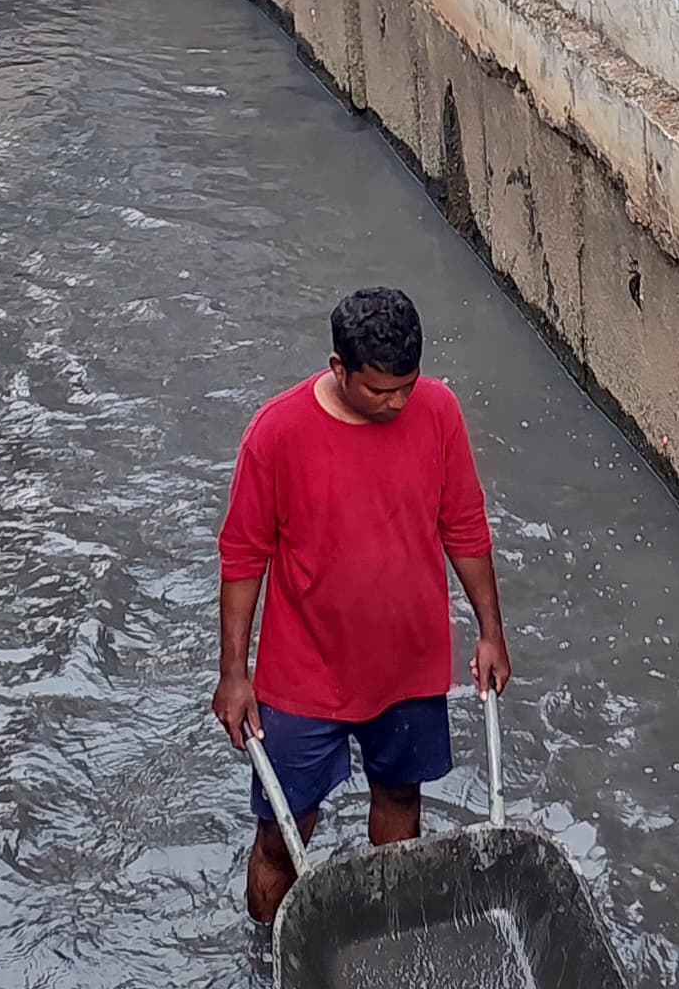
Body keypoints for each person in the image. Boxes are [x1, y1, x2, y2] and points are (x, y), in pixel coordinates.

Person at [214, 287, 511, 924]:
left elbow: (464, 524)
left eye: (406, 385)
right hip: (303, 675)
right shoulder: (276, 433)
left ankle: (390, 930)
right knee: (282, 830)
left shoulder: (439, 411)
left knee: (402, 799)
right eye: (379, 391)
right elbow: (243, 557)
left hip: (408, 664)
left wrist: (491, 632)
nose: (397, 402)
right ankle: (269, 946)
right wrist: (234, 675)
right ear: (338, 368)